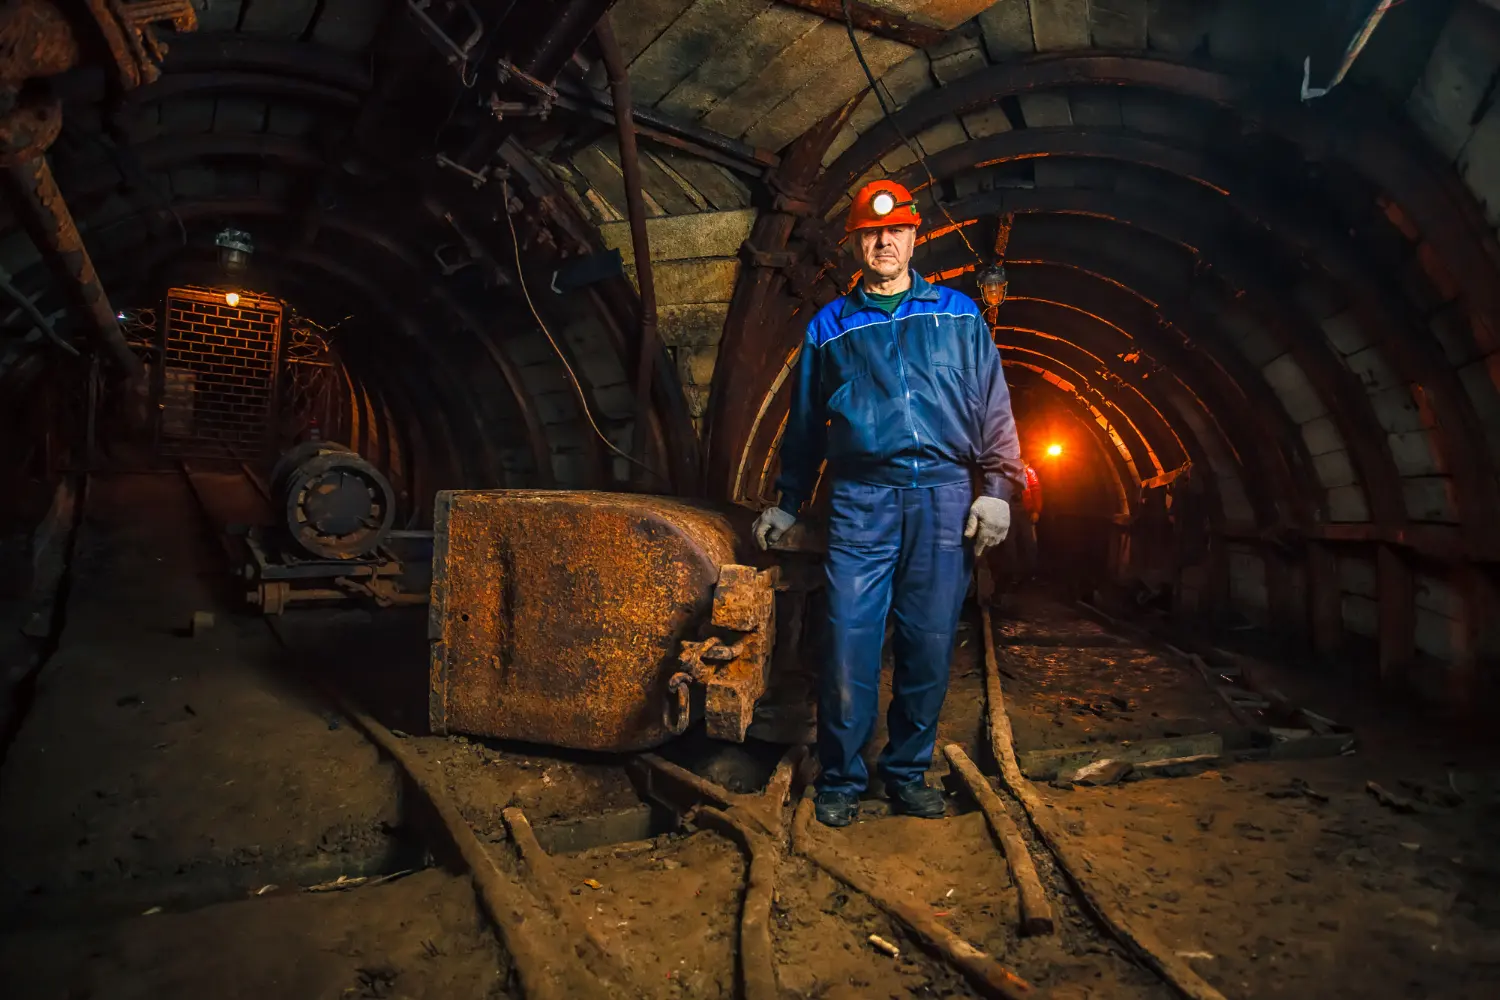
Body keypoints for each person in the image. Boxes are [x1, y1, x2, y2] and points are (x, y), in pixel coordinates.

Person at [750, 179, 1024, 828]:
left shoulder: (958, 315)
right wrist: (790, 500)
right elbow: (806, 422)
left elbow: (993, 406)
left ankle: (906, 773)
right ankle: (843, 778)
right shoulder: (831, 326)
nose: (883, 242)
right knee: (849, 643)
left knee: (928, 646)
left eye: (895, 230)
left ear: (913, 236)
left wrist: (998, 491)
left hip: (943, 495)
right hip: (860, 500)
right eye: (872, 233)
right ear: (856, 243)